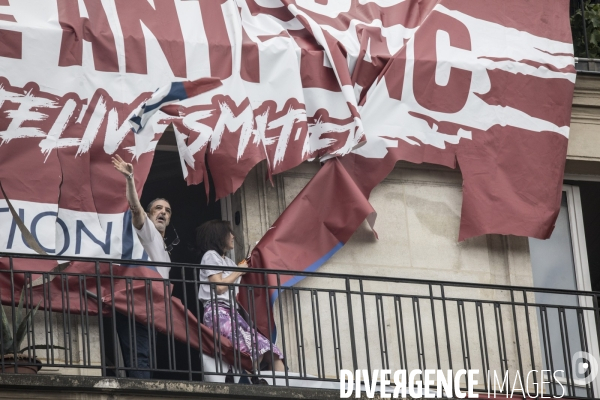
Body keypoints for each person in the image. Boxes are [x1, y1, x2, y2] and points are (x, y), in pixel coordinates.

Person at [196, 220, 285, 378]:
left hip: (232, 314)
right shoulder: (210, 256)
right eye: (229, 232)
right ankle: (250, 383)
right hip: (218, 312)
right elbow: (219, 287)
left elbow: (236, 290)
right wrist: (238, 271)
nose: (233, 236)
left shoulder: (228, 262)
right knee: (253, 351)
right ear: (219, 235)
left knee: (272, 352)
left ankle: (286, 389)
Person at [111, 154, 173, 379]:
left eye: (167, 210)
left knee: (144, 353)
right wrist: (130, 179)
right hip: (136, 303)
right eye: (158, 208)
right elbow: (136, 212)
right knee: (140, 356)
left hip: (150, 307)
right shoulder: (147, 232)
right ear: (150, 214)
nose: (163, 212)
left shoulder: (163, 246)